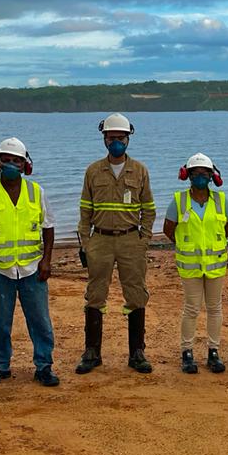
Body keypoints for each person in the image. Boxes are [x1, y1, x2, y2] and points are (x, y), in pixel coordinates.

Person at [0, 137, 59, 387]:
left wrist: (46, 261)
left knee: (40, 321)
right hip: (0, 272)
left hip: (32, 270)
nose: (10, 164)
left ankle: (44, 366)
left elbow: (48, 228)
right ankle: (0, 367)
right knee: (0, 323)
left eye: (16, 160)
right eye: (5, 160)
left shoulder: (36, 192)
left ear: (24, 164)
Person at [76, 113, 157, 374]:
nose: (116, 142)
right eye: (111, 138)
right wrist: (86, 244)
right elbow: (85, 213)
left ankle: (137, 353)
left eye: (120, 138)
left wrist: (143, 240)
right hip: (100, 240)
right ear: (104, 139)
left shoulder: (140, 170)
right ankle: (92, 353)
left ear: (128, 139)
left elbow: (149, 210)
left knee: (135, 294)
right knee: (95, 295)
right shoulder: (93, 171)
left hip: (130, 241)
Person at [162, 153, 228, 374]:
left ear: (212, 176)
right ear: (188, 175)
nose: (200, 177)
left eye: (205, 173)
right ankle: (187, 353)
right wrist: (185, 245)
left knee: (214, 308)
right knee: (191, 309)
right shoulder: (179, 200)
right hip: (190, 266)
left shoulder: (221, 201)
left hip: (215, 265)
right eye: (196, 173)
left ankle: (213, 351)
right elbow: (168, 228)